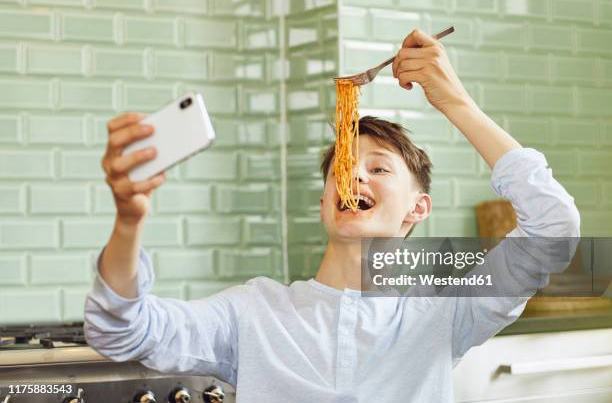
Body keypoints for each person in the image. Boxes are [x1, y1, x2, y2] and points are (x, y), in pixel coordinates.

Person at [84, 29, 580, 402]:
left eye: (378, 168)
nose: (354, 178)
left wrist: (454, 100)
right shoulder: (253, 313)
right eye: (343, 169)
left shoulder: (447, 311)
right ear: (324, 203)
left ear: (418, 207)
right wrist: (128, 221)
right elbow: (121, 330)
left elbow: (554, 229)